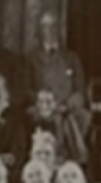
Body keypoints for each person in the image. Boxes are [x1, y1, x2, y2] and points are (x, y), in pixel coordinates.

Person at [26, 11, 90, 145]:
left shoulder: (72, 58)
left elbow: (80, 91)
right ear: (40, 31)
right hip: (40, 107)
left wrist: (66, 106)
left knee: (81, 117)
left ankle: (73, 158)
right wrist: (42, 103)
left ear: (59, 29)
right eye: (45, 26)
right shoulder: (30, 59)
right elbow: (26, 89)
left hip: (65, 108)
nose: (50, 31)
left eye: (53, 26)